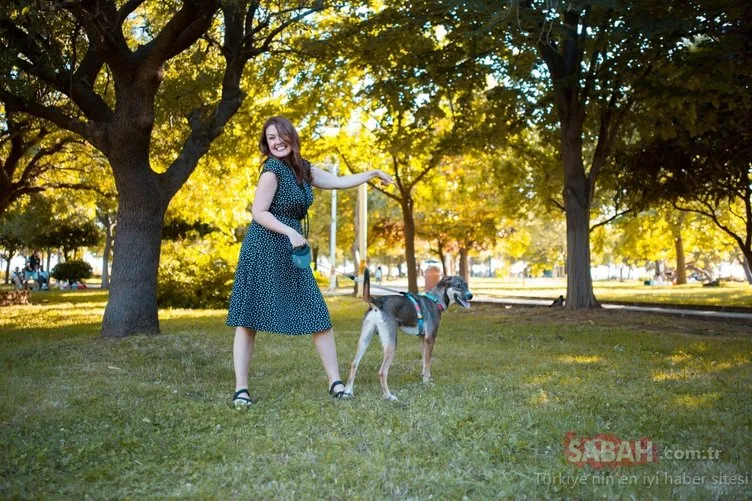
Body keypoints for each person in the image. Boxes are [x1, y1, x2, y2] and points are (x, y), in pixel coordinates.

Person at [227, 116, 393, 406]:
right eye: (270, 139)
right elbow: (259, 212)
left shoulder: (304, 170)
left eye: (281, 136)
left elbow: (340, 182)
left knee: (317, 312)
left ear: (292, 136)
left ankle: (336, 382)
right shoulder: (271, 171)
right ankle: (241, 389)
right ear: (266, 144)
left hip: (293, 248)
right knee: (248, 316)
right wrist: (290, 231)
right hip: (264, 246)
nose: (277, 142)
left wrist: (372, 173)